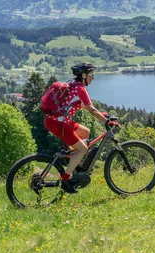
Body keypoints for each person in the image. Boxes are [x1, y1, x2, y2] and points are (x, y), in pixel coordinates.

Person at [43, 62, 109, 194]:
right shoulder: (81, 89)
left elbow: (83, 106)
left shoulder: (73, 85)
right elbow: (91, 109)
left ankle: (76, 165)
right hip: (59, 123)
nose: (93, 78)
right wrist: (106, 121)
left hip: (56, 120)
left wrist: (102, 115)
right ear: (84, 75)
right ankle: (65, 180)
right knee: (83, 149)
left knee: (85, 132)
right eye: (91, 75)